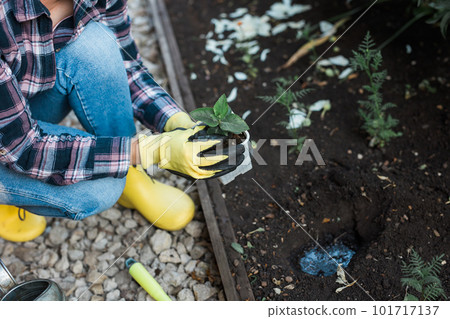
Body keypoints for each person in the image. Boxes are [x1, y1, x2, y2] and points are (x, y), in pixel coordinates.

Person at [0, 0, 243, 242]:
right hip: (13, 142)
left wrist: (173, 120)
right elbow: (24, 149)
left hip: (15, 109)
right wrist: (152, 151)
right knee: (99, 190)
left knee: (95, 46)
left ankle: (130, 174)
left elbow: (124, 63)